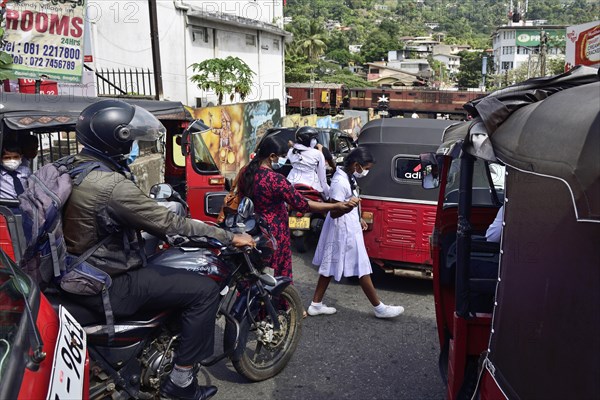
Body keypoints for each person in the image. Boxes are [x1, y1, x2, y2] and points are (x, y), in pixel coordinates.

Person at [62, 99, 255, 400]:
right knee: (203, 290)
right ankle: (180, 383)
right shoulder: (111, 185)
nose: (135, 147)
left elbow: (104, 221)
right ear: (118, 140)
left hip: (73, 273)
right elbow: (169, 221)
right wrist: (228, 236)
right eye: (133, 140)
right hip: (109, 283)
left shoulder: (72, 168)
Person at [239, 134, 358, 281]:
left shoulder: (246, 172)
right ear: (271, 156)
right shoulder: (275, 180)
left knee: (253, 273)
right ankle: (278, 303)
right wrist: (336, 205)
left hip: (251, 230)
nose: (282, 160)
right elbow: (303, 204)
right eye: (281, 156)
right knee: (277, 277)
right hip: (274, 233)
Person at [309, 147, 405, 319]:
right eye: (366, 168)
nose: (366, 171)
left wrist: (357, 215)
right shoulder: (340, 182)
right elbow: (334, 211)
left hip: (348, 226)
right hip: (343, 230)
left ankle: (316, 304)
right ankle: (379, 308)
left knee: (330, 265)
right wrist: (350, 208)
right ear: (356, 165)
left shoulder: (348, 176)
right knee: (361, 267)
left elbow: (346, 204)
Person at [286, 126, 330, 199]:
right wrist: (327, 195)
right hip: (312, 186)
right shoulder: (317, 154)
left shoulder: (291, 151)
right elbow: (322, 178)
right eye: (314, 139)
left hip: (291, 184)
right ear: (310, 140)